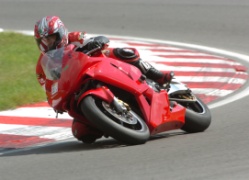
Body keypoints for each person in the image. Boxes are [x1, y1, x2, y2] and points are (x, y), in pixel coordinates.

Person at [34, 16, 173, 143]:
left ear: (61, 33)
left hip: (96, 66)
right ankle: (113, 122)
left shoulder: (75, 37)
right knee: (82, 133)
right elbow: (48, 88)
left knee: (123, 52)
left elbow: (97, 39)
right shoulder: (42, 66)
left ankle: (158, 76)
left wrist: (97, 42)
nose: (48, 44)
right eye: (43, 41)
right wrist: (56, 101)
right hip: (75, 88)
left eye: (51, 38)